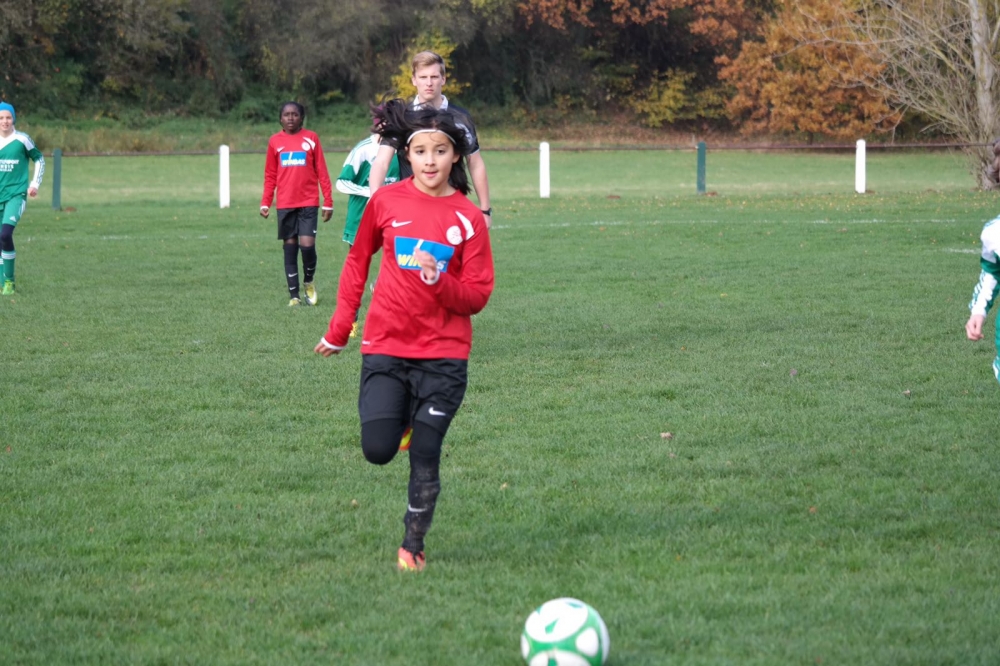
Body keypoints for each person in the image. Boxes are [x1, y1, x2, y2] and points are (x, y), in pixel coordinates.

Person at [314, 99, 494, 572]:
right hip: (387, 346)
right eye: (420, 151)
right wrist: (340, 329)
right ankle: (404, 422)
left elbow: (478, 295)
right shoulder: (386, 202)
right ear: (407, 155)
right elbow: (358, 262)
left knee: (427, 452)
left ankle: (413, 545)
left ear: (455, 156)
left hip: (444, 355)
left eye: (440, 151)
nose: (430, 161)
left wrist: (440, 282)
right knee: (377, 450)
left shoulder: (468, 219)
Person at [368, 51, 493, 229]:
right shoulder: (402, 116)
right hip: (409, 208)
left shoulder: (460, 118)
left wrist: (485, 210)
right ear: (414, 80)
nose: (429, 83)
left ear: (443, 79)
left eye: (434, 77)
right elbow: (381, 162)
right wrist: (375, 200)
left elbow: (475, 163)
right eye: (423, 77)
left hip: (450, 207)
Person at [260, 101, 334, 306]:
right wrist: (266, 201)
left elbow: (322, 171)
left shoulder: (312, 138)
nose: (290, 118)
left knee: (307, 246)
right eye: (286, 115)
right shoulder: (275, 142)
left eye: (294, 114)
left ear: (301, 118)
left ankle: (308, 282)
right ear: (280, 119)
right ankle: (294, 296)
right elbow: (270, 175)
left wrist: (328, 201)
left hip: (308, 202)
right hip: (285, 204)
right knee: (290, 247)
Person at [335, 127, 401, 337]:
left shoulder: (403, 148)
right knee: (356, 271)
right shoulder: (364, 149)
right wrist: (372, 192)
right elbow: (342, 182)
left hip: (391, 217)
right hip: (361, 218)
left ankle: (381, 290)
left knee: (399, 261)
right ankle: (351, 321)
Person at [0, 101, 44, 296]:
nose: (5, 121)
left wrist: (34, 184)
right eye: (1, 118)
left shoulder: (22, 139)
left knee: (5, 235)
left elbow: (39, 159)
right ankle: (3, 282)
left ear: (14, 119)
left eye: (8, 117)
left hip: (16, 195)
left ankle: (9, 281)